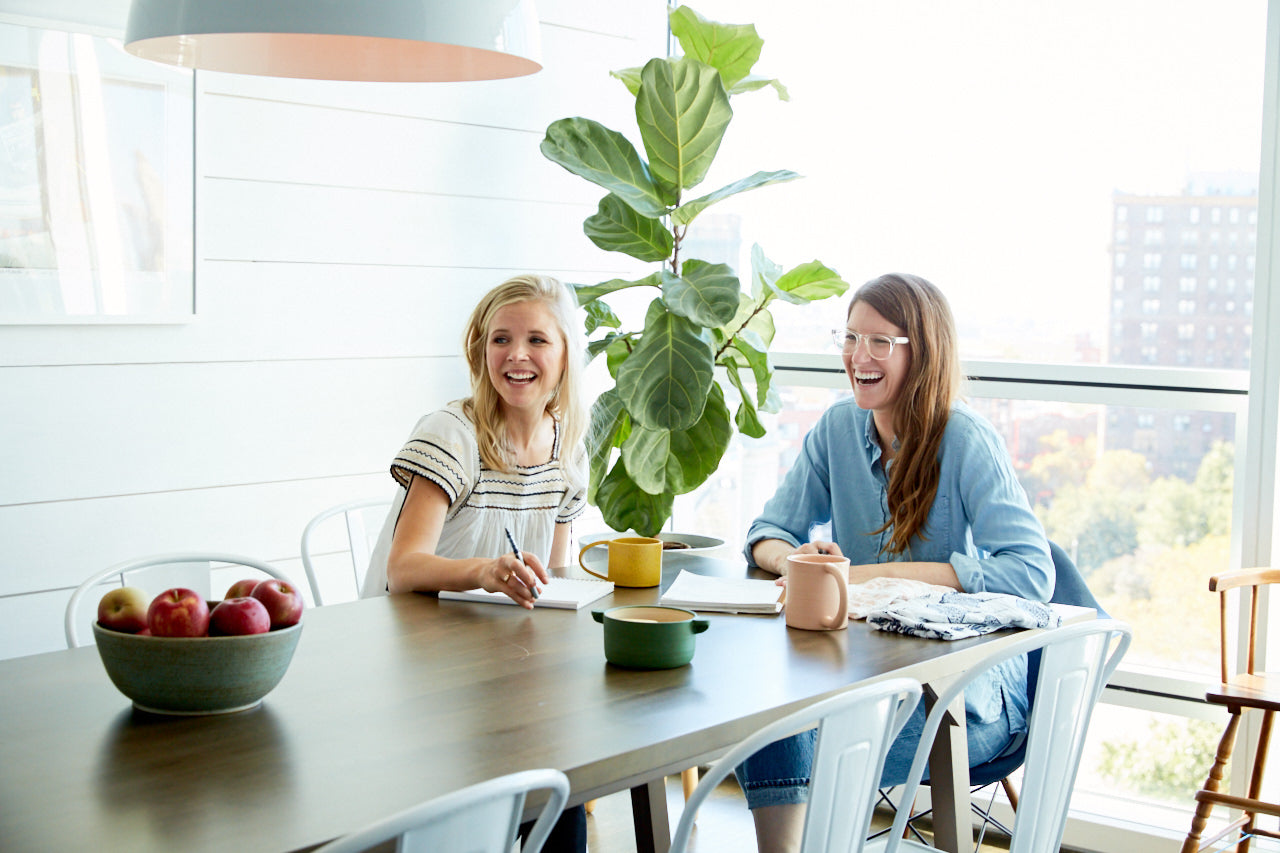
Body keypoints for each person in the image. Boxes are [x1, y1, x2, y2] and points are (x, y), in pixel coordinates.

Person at [736, 273, 1054, 853]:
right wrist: (800, 561)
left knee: (792, 732)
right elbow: (766, 532)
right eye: (851, 337)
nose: (859, 356)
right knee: (767, 718)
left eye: (880, 342)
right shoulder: (836, 428)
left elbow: (1030, 572)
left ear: (923, 351)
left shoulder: (967, 440)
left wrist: (877, 577)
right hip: (865, 678)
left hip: (968, 696)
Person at [360, 273, 590, 851]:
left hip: (497, 662)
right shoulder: (452, 434)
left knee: (567, 776)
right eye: (500, 339)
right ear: (479, 349)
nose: (516, 355)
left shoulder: (568, 442)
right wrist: (486, 572)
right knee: (532, 775)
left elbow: (552, 583)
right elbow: (403, 568)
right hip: (417, 663)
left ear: (565, 356)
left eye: (537, 340)